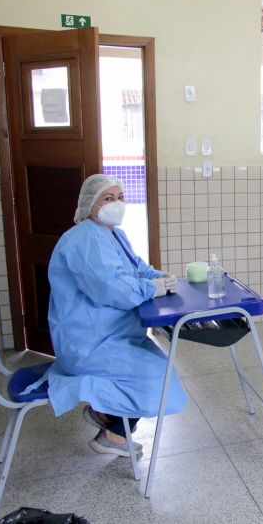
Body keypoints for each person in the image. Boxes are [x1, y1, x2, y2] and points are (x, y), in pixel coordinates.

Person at [47, 174, 187, 457]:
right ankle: (114, 433)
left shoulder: (113, 234)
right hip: (89, 342)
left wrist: (158, 277)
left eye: (120, 197)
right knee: (156, 374)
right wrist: (152, 289)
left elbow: (135, 268)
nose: (117, 204)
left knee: (158, 362)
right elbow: (112, 289)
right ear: (89, 204)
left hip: (111, 334)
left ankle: (106, 416)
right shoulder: (84, 239)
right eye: (108, 199)